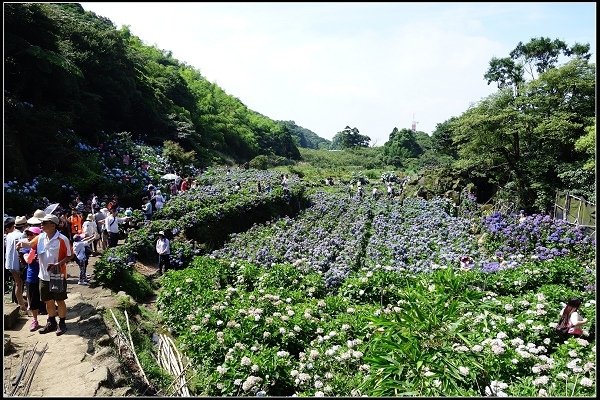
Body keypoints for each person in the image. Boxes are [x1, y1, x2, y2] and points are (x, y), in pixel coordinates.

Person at [18, 214, 73, 335]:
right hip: (43, 275)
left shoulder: (62, 239)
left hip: (57, 275)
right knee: (48, 301)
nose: (41, 225)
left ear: (53, 225)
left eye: (44, 223)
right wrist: (21, 244)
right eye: (41, 223)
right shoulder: (41, 237)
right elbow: (30, 244)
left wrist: (59, 263)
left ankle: (62, 323)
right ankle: (51, 322)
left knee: (60, 300)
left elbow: (70, 255)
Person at [4, 216, 28, 311]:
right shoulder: (21, 235)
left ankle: (20, 302)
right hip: (17, 263)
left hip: (10, 262)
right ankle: (22, 305)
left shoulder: (9, 234)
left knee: (18, 283)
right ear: (24, 225)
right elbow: (21, 251)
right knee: (20, 283)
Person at [22, 226, 43, 331]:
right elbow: (28, 260)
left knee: (47, 299)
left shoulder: (44, 245)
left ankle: (50, 319)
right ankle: (35, 320)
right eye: (28, 234)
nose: (29, 237)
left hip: (44, 275)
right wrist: (31, 253)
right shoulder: (27, 247)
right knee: (33, 300)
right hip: (32, 277)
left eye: (31, 234)